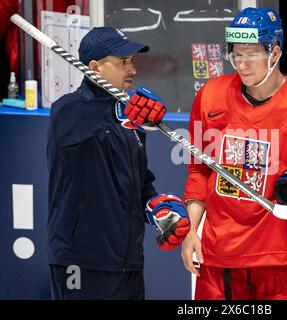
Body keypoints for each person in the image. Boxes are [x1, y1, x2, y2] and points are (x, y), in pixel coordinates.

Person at [179, 7, 287, 300]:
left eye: (251, 54)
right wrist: (192, 231)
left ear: (275, 52)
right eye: (236, 53)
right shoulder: (210, 96)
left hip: (281, 261)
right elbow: (199, 169)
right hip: (219, 258)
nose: (242, 64)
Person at [47, 27, 190, 300]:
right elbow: (79, 123)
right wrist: (118, 111)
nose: (133, 70)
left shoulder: (130, 121)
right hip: (82, 264)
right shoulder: (67, 111)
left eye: (132, 61)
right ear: (94, 67)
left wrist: (156, 207)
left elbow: (137, 181)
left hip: (128, 265)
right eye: (123, 62)